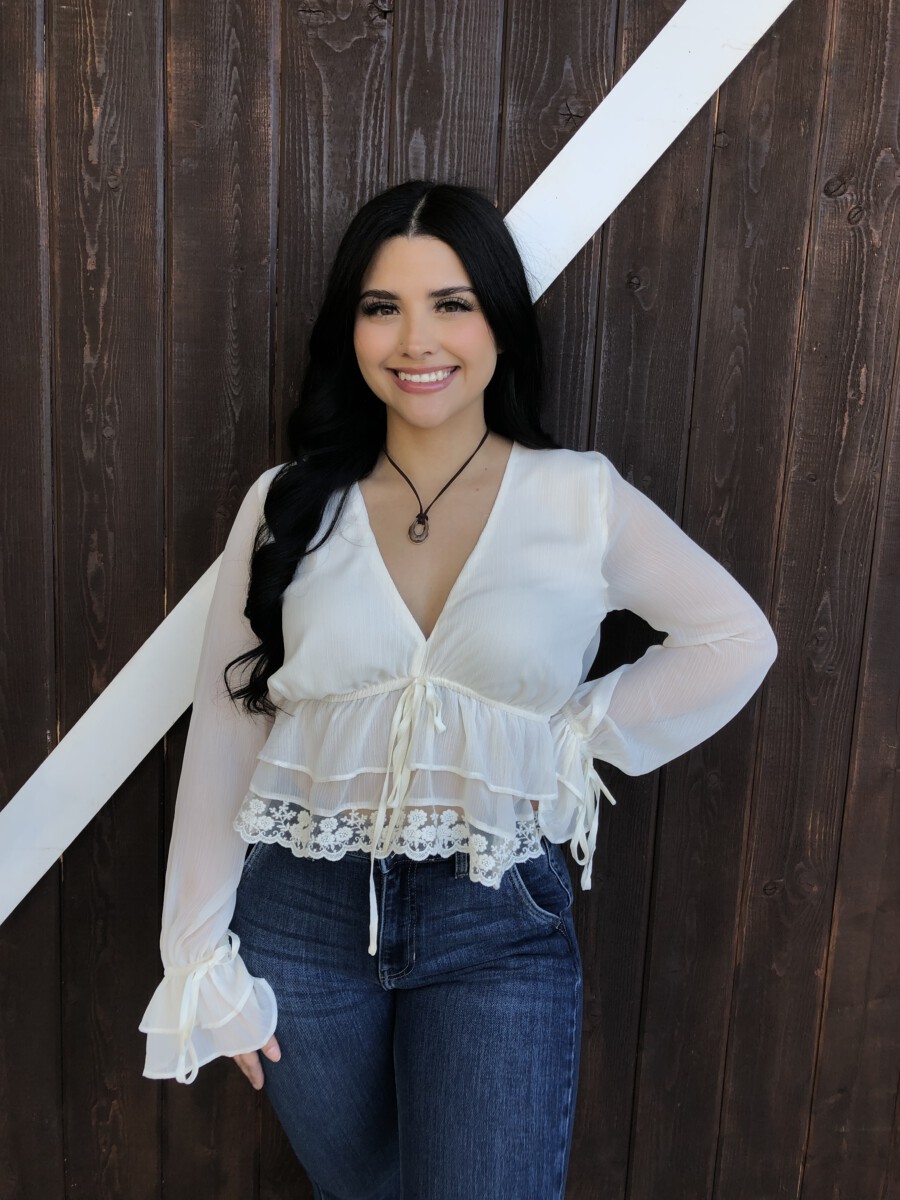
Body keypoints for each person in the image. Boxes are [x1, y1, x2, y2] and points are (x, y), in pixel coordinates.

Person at [139, 179, 777, 1200]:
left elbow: (736, 638)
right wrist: (197, 957)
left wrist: (567, 737)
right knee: (362, 1190)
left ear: (499, 323)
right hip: (300, 920)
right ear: (350, 328)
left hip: (496, 918)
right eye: (381, 306)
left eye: (451, 303)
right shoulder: (287, 503)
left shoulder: (579, 499)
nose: (415, 340)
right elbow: (230, 724)